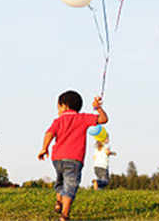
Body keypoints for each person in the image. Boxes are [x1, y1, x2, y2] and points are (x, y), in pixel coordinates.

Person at [38, 90, 108, 221]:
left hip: (57, 159)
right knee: (70, 185)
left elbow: (49, 134)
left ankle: (58, 202)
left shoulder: (58, 121)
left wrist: (44, 148)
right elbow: (104, 119)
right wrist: (98, 107)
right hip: (74, 159)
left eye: (58, 107)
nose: (57, 110)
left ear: (64, 106)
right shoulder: (83, 118)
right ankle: (64, 215)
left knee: (60, 181)